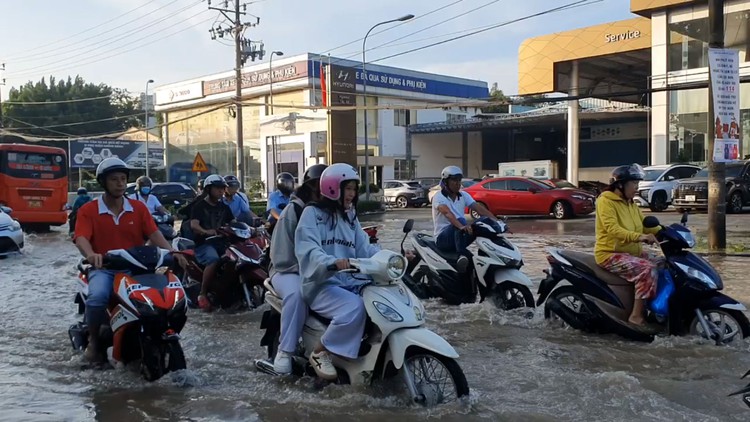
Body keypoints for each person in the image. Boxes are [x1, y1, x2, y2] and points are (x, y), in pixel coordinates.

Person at [73, 158, 186, 364]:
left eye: (123, 179)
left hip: (139, 268)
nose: (120, 183)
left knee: (166, 298)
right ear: (103, 182)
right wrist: (91, 254)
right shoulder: (88, 210)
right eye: (114, 179)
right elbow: (81, 237)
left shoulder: (138, 208)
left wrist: (172, 251)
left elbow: (154, 233)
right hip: (105, 268)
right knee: (97, 297)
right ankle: (95, 344)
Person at [295, 164, 380, 380]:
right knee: (355, 307)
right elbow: (309, 249)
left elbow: (365, 248)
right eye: (348, 188)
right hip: (321, 283)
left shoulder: (350, 216)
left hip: (349, 281)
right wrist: (332, 262)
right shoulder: (312, 214)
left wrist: (389, 257)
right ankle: (320, 352)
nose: (352, 194)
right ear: (333, 188)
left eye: (354, 189)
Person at [268, 164, 327, 374]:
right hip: (288, 270)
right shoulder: (293, 211)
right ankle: (286, 351)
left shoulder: (335, 211)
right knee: (297, 294)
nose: (324, 190)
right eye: (318, 186)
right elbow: (281, 254)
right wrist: (308, 270)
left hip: (323, 270)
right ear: (309, 187)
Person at [595, 163, 661, 327]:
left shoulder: (631, 202)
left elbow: (645, 224)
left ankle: (656, 309)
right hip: (609, 254)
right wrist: (640, 237)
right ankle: (636, 316)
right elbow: (613, 229)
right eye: (633, 183)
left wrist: (667, 232)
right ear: (620, 185)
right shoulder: (605, 202)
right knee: (648, 270)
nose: (636, 187)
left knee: (664, 263)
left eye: (637, 183)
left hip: (631, 253)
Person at [432, 165, 497, 272]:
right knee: (460, 222)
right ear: (446, 182)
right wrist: (461, 226)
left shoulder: (464, 195)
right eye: (454, 180)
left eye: (459, 180)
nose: (457, 183)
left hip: (460, 236)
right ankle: (461, 255)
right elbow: (448, 213)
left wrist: (497, 223)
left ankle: (490, 254)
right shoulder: (439, 197)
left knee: (481, 224)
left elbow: (480, 210)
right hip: (443, 239)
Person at [190, 174, 235, 311]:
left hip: (222, 243)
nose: (221, 191)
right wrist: (206, 231)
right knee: (213, 259)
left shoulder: (224, 207)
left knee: (236, 259)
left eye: (222, 188)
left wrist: (248, 229)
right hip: (205, 244)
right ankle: (202, 293)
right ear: (208, 189)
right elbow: (193, 225)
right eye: (217, 188)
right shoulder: (199, 206)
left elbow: (233, 223)